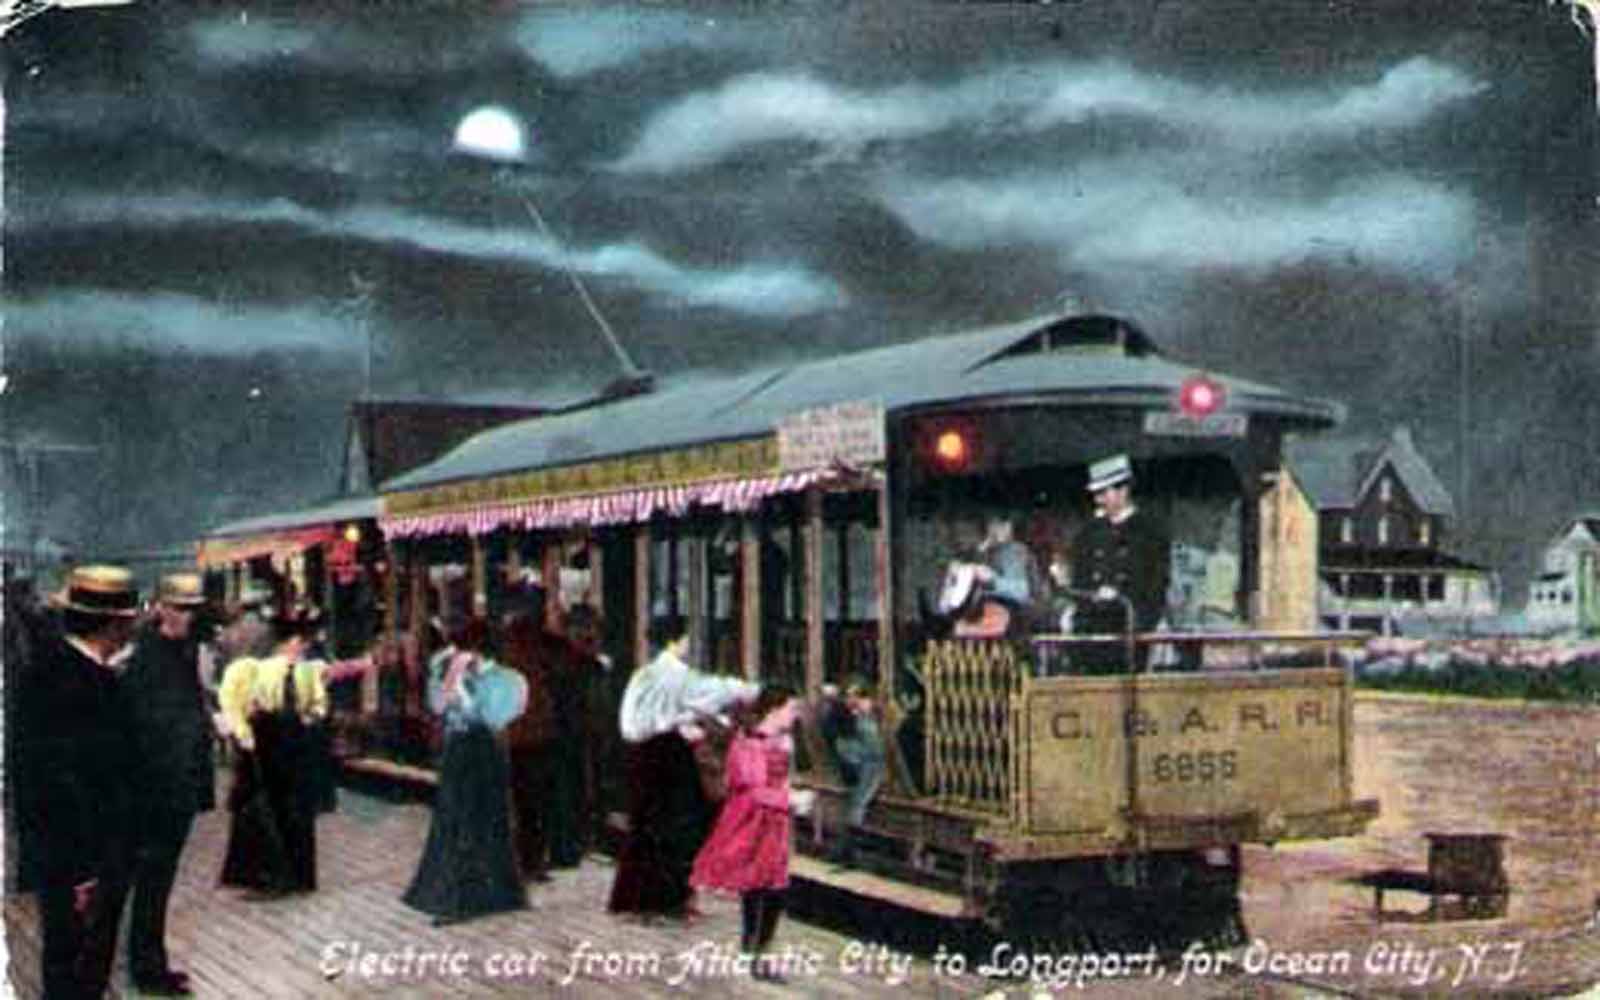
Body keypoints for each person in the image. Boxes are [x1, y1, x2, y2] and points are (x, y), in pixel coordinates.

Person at [15, 564, 142, 1000]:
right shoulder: (74, 682)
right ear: (115, 623)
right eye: (129, 619)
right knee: (77, 969)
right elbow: (58, 785)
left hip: (80, 858)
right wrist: (84, 872)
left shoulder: (53, 671)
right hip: (82, 863)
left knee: (80, 966)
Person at [608, 616, 758, 921]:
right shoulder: (681, 677)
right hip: (671, 755)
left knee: (644, 826)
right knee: (678, 828)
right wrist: (754, 690)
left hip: (641, 754)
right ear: (675, 641)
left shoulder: (641, 675)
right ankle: (669, 902)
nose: (689, 644)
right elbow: (719, 692)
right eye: (686, 639)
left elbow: (628, 723)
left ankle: (636, 901)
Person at [114, 573, 215, 996]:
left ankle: (149, 962)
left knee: (158, 881)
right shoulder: (146, 659)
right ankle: (145, 968)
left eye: (193, 609)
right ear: (160, 608)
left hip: (178, 786)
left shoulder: (180, 651)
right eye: (180, 608)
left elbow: (186, 712)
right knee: (149, 880)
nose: (188, 616)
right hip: (156, 790)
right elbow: (146, 728)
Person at [402, 616, 529, 925]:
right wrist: (444, 675)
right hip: (456, 751)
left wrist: (464, 690)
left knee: (484, 820)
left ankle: (485, 896)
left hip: (486, 751)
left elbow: (492, 718)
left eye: (464, 649)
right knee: (451, 821)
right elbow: (438, 707)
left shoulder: (508, 679)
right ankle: (448, 894)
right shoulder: (452, 671)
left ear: (480, 650)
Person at [689, 685, 801, 982]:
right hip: (753, 820)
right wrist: (789, 800)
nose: (795, 715)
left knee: (775, 887)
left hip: (776, 821)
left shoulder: (784, 741)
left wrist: (790, 793)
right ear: (774, 710)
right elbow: (751, 789)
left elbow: (783, 778)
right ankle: (753, 953)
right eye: (791, 708)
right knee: (757, 886)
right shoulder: (749, 742)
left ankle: (760, 951)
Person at [217, 605, 330, 894]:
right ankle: (283, 875)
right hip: (276, 740)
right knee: (277, 809)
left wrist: (310, 715)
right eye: (298, 644)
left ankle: (286, 875)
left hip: (282, 741)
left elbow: (315, 704)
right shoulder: (267, 669)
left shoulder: (300, 670)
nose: (301, 649)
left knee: (283, 808)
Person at [1070, 454, 1171, 673]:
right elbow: (1079, 580)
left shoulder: (1150, 532)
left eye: (1103, 493)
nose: (1098, 500)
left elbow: (1156, 585)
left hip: (1130, 629)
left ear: (1123, 491)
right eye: (1096, 494)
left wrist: (1140, 623)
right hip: (1093, 632)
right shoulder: (1088, 534)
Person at [499, 584, 558, 882]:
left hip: (517, 734)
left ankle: (524, 860)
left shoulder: (506, 645)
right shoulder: (540, 644)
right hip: (534, 734)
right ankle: (531, 860)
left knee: (521, 801)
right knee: (533, 801)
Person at [820, 676, 886, 868]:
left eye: (857, 696)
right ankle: (847, 848)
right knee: (859, 797)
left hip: (870, 765)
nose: (853, 700)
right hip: (856, 763)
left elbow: (879, 750)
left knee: (860, 796)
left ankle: (847, 848)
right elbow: (836, 738)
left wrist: (864, 715)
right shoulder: (841, 714)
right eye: (849, 695)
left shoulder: (871, 718)